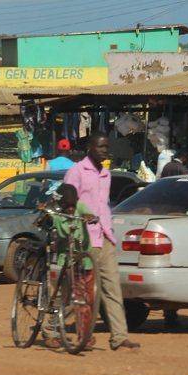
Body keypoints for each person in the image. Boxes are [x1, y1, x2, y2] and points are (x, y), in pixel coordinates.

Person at [63, 133, 140, 351]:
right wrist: (81, 215)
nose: (104, 151)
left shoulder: (106, 174)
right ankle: (65, 329)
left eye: (107, 147)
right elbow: (68, 201)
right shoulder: (77, 171)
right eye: (100, 147)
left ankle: (119, 337)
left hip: (105, 236)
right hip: (84, 237)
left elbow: (103, 204)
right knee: (82, 290)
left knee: (112, 288)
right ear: (90, 147)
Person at [41, 183, 96, 349]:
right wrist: (51, 216)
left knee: (85, 299)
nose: (71, 209)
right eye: (68, 207)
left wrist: (90, 217)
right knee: (60, 297)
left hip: (84, 260)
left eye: (73, 206)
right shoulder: (57, 211)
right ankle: (50, 331)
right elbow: (56, 227)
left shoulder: (80, 206)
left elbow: (88, 213)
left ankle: (84, 336)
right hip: (64, 259)